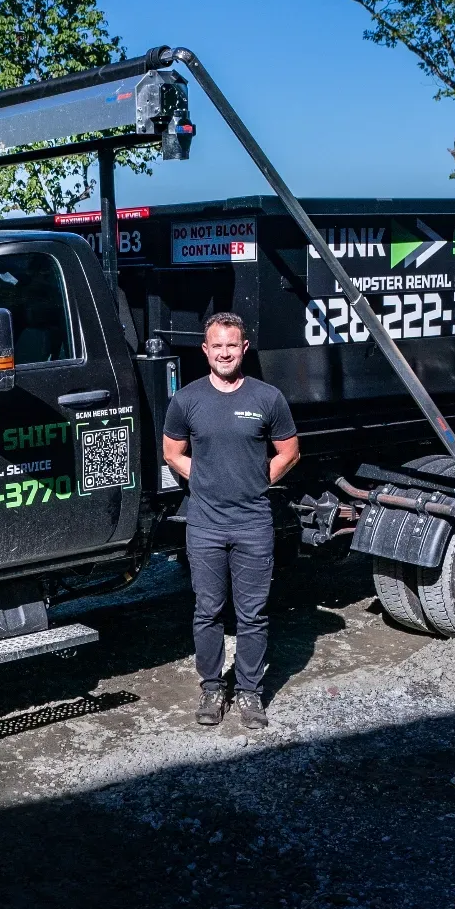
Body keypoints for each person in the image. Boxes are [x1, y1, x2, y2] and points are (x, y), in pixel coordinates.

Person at [161, 312, 300, 730]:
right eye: (216, 345)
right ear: (206, 350)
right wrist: (203, 478)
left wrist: (259, 482)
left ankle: (250, 692)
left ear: (244, 348)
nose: (224, 352)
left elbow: (289, 451)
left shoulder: (267, 398)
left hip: (253, 523)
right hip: (204, 524)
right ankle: (211, 687)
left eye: (231, 345)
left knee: (252, 613)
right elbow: (171, 451)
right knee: (207, 610)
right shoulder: (187, 400)